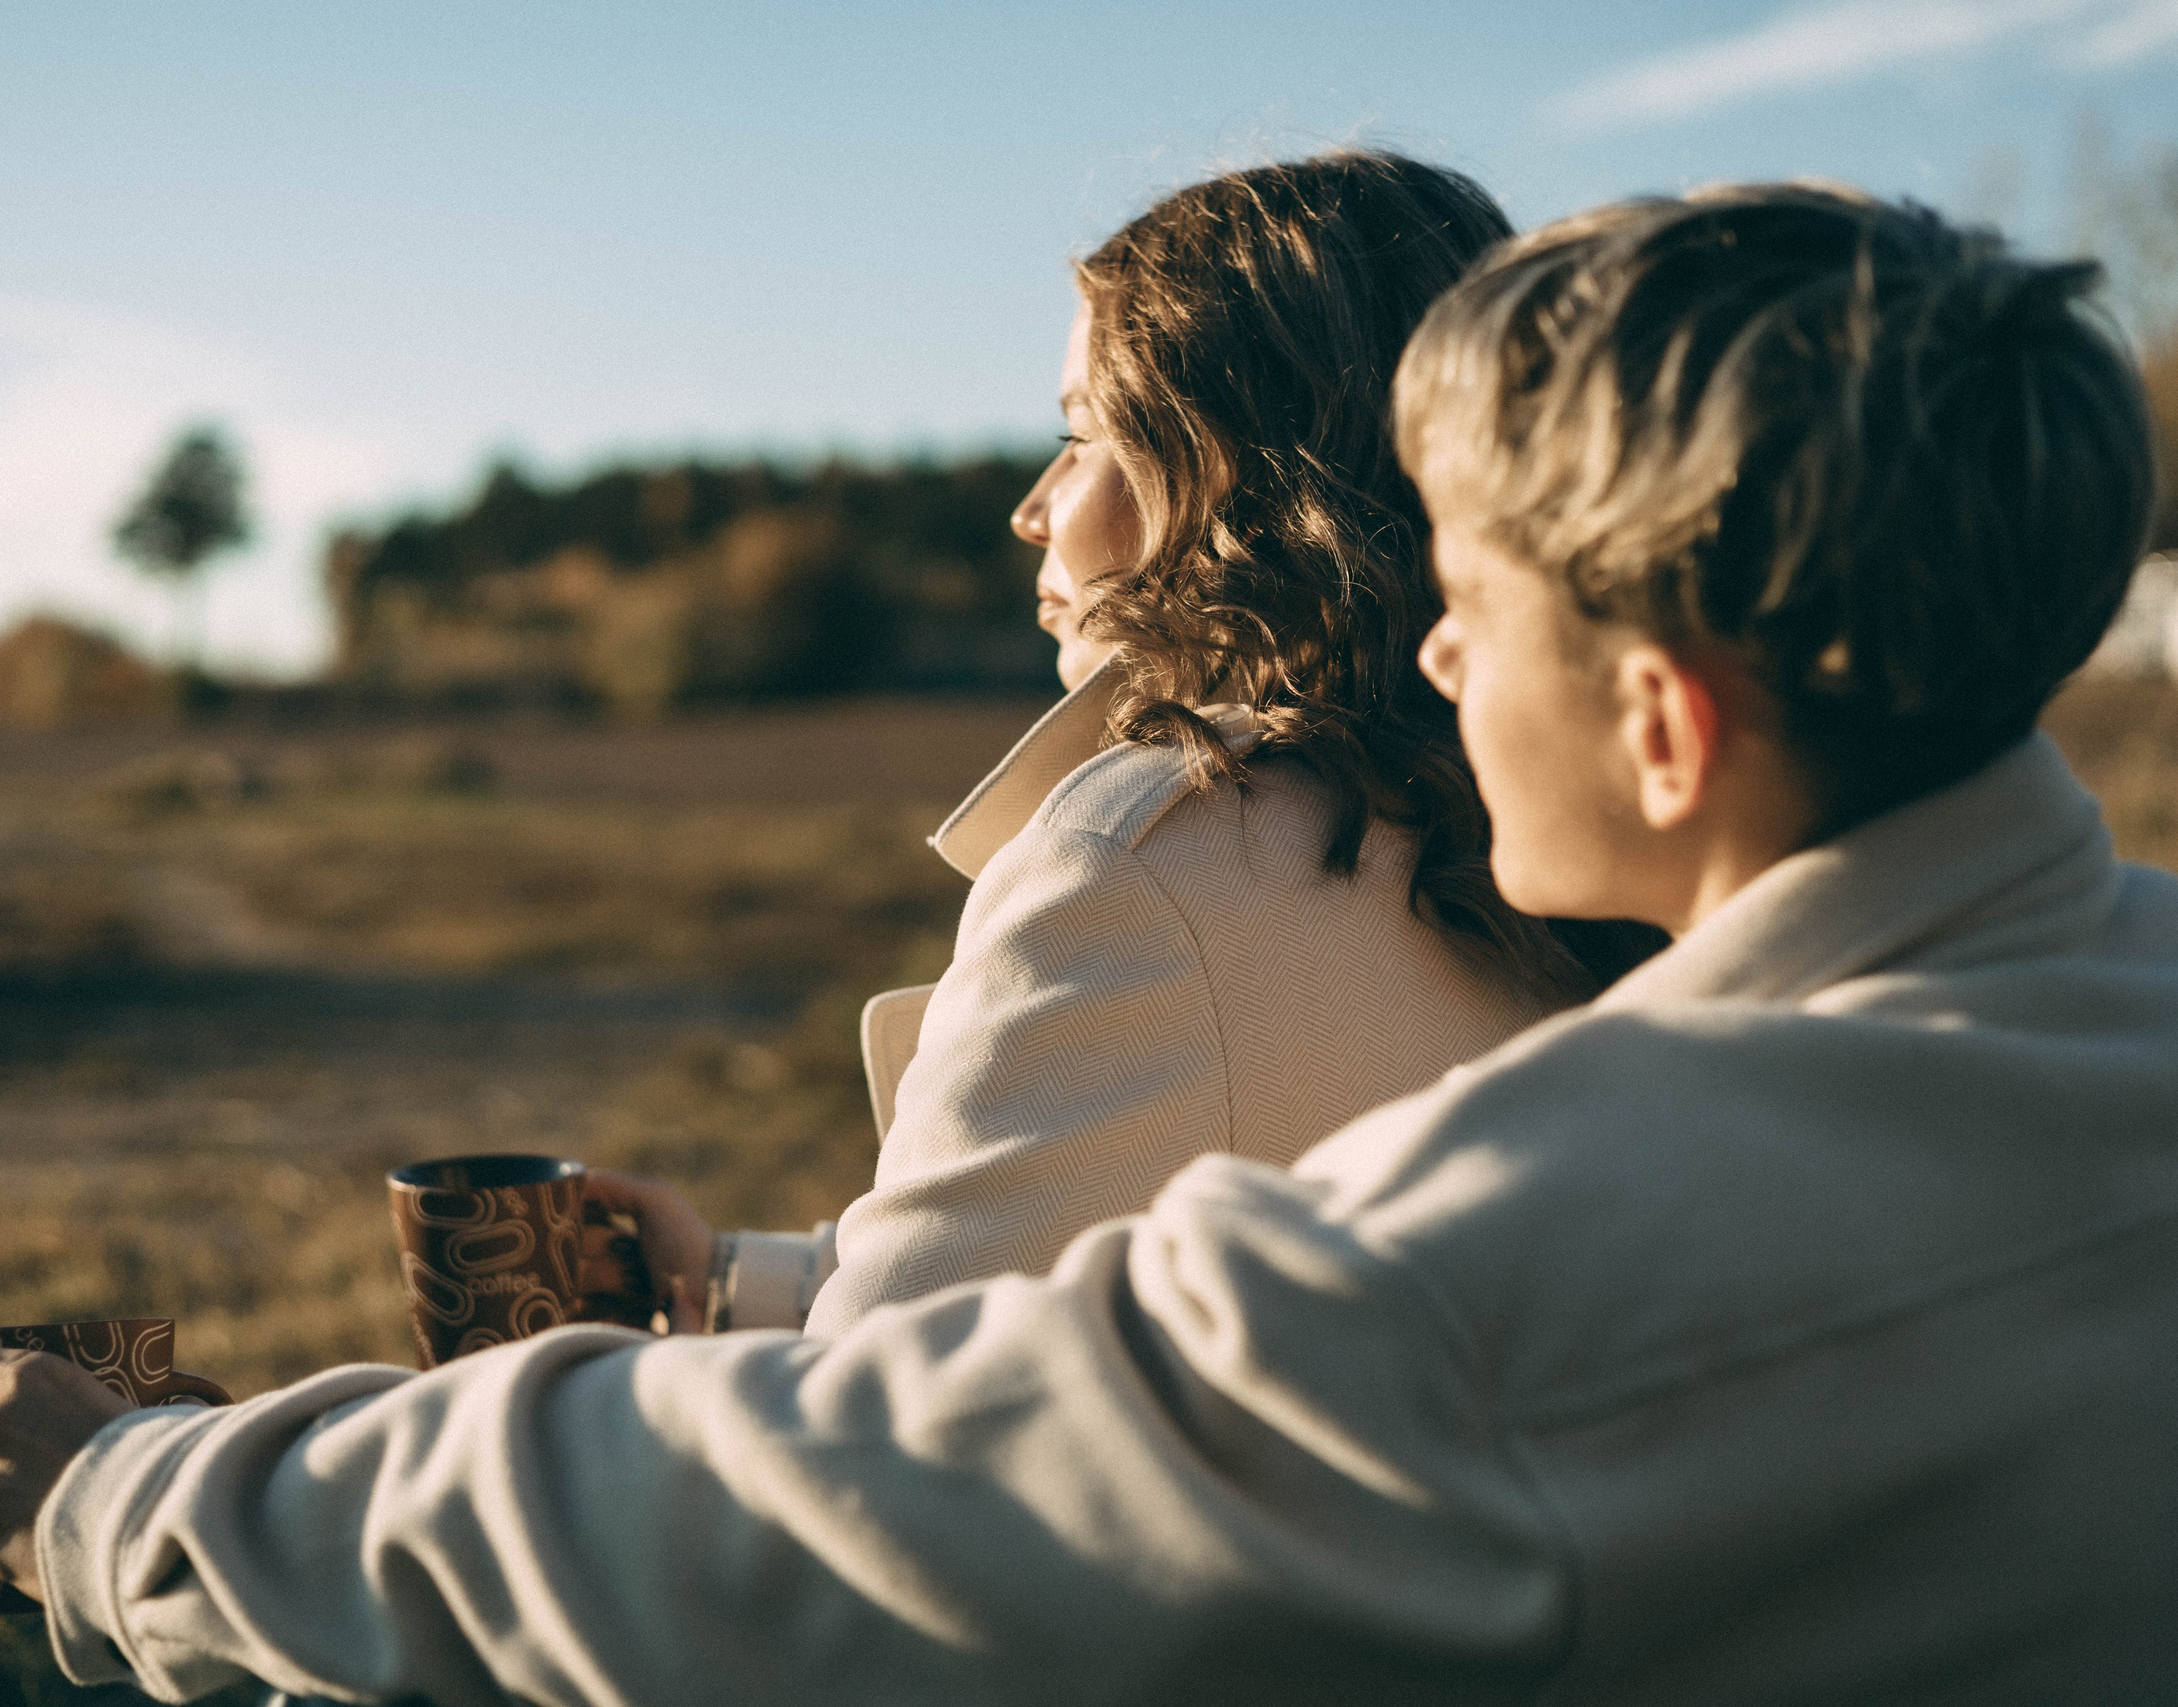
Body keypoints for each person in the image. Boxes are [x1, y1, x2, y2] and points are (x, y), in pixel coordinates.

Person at [0, 184, 2178, 1703]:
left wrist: (130, 1494)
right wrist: (765, 1281)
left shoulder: (1521, 1258)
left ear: (1658, 713)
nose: (1430, 662)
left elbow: (797, 1525)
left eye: (1482, 614)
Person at [586, 151, 1645, 1338]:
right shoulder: (1575, 823)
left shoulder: (1142, 865)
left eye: (1085, 434)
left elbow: (874, 1409)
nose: (1031, 507)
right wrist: (738, 1281)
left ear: (1235, 476)